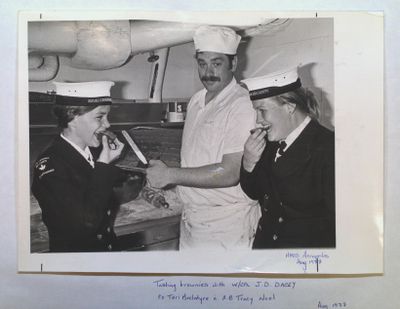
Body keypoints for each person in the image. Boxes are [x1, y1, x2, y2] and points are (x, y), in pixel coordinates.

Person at [146, 25, 261, 250]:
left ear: (233, 64)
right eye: (202, 63)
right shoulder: (196, 100)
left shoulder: (242, 103)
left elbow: (230, 172)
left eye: (217, 64)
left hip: (227, 224)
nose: (208, 72)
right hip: (192, 219)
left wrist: (169, 174)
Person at [240, 68, 335, 249]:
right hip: (266, 250)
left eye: (262, 110)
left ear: (290, 107)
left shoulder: (328, 147)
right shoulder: (272, 140)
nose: (258, 120)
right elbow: (255, 193)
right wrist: (248, 162)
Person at [31, 81, 125, 252]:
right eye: (99, 117)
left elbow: (100, 185)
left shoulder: (92, 152)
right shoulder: (50, 165)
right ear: (72, 117)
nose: (108, 124)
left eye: (107, 117)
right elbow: (84, 225)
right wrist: (104, 165)